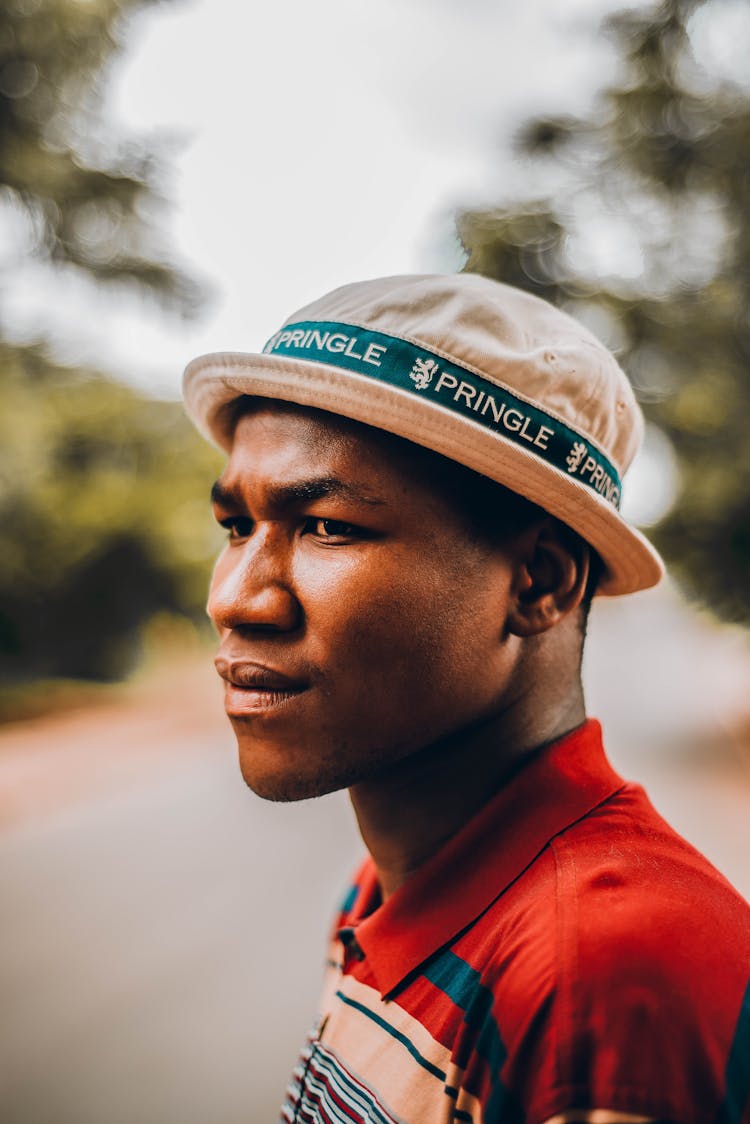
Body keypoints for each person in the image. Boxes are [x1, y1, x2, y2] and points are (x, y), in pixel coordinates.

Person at [182, 273, 750, 1124]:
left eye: (327, 525)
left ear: (539, 582)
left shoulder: (607, 975)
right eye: (238, 527)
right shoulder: (386, 888)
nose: (234, 598)